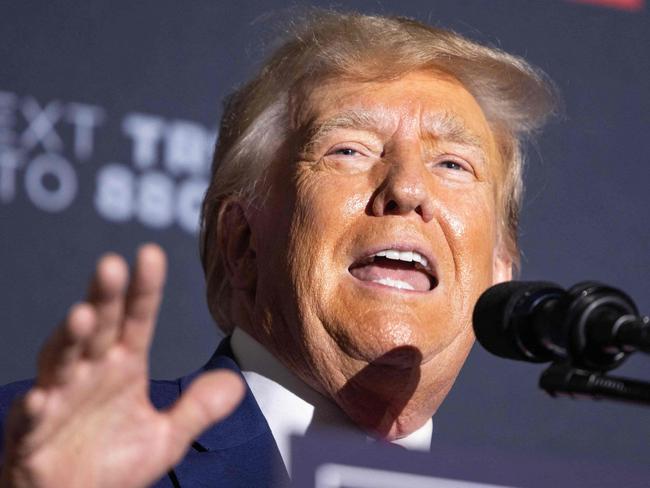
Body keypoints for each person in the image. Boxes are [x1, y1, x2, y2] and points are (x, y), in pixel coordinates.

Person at [0, 10, 556, 488]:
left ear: (499, 276)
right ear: (242, 243)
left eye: (453, 165)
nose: (408, 189)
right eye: (349, 151)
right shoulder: (39, 452)